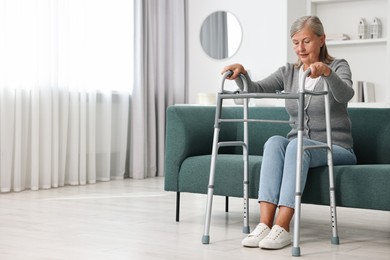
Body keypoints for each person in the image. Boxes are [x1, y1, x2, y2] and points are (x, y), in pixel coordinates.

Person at [222, 16, 357, 250]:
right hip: (301, 147)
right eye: (295, 42)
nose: (300, 48)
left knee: (297, 145)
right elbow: (256, 89)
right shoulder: (289, 72)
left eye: (306, 41)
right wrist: (242, 75)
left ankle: (283, 227)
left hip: (337, 148)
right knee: (275, 142)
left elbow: (345, 95)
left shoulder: (338, 66)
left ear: (322, 40)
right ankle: (265, 225)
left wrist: (326, 72)